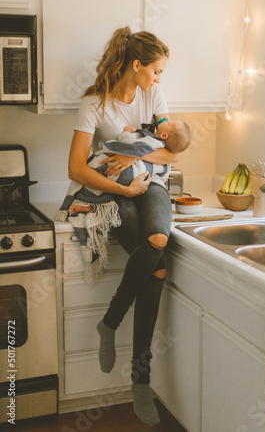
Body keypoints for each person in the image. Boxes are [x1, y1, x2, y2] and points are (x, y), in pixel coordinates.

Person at [68, 26, 186, 427]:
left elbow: (173, 146)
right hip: (115, 191)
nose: (159, 79)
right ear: (137, 66)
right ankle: (141, 379)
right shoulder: (93, 104)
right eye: (156, 71)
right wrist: (123, 182)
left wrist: (134, 155)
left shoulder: (153, 95)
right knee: (156, 270)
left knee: (157, 240)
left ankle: (110, 320)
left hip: (150, 183)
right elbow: (76, 167)